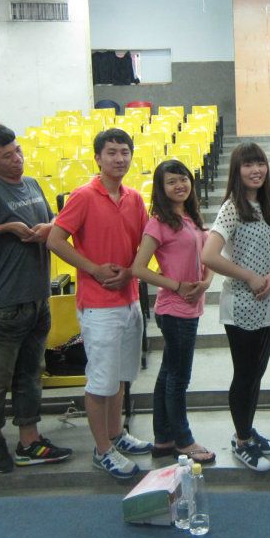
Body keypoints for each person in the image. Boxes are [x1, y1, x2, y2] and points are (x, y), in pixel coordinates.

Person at [0, 123, 72, 473]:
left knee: (31, 374)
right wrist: (5, 228)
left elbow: (53, 221)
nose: (17, 159)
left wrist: (49, 228)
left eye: (17, 151)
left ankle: (29, 441)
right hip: (5, 303)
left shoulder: (32, 184)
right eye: (7, 156)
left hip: (38, 297)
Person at [47, 128, 152, 480]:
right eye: (112, 152)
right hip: (98, 304)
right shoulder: (83, 196)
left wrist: (131, 272)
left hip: (130, 298)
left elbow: (145, 244)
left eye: (125, 152)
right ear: (98, 157)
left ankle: (116, 434)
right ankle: (102, 450)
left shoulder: (134, 198)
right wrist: (93, 269)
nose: (119, 158)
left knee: (120, 377)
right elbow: (55, 240)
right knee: (100, 381)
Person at [201, 142, 270, 473]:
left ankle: (247, 431)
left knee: (256, 375)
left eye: (260, 164)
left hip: (266, 303)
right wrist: (250, 276)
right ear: (237, 171)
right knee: (244, 376)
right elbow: (208, 256)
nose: (256, 170)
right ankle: (241, 442)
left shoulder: (266, 207)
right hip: (240, 304)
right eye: (248, 165)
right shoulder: (231, 208)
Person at [131, 160, 215, 465]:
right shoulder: (159, 223)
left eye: (183, 179)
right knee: (179, 377)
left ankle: (163, 438)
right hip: (174, 310)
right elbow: (138, 268)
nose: (180, 185)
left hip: (191, 306)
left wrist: (206, 282)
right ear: (161, 188)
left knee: (168, 373)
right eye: (171, 181)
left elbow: (208, 258)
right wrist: (176, 286)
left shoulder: (191, 217)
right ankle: (183, 440)